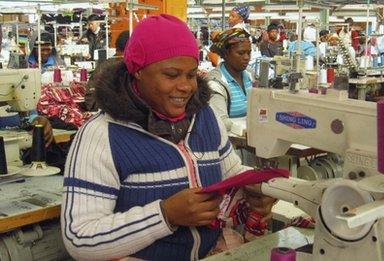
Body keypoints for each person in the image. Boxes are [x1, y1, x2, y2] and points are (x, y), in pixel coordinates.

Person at [61, 15, 275, 260]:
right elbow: (79, 238)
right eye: (172, 75)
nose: (186, 86)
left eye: (191, 74)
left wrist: (253, 189)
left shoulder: (205, 117)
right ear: (138, 71)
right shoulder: (102, 134)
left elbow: (231, 173)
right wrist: (165, 215)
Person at [206, 28, 252, 131]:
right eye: (241, 53)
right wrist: (247, 130)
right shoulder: (215, 83)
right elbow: (221, 122)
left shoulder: (249, 75)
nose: (246, 57)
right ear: (226, 53)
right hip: (230, 140)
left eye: (249, 53)